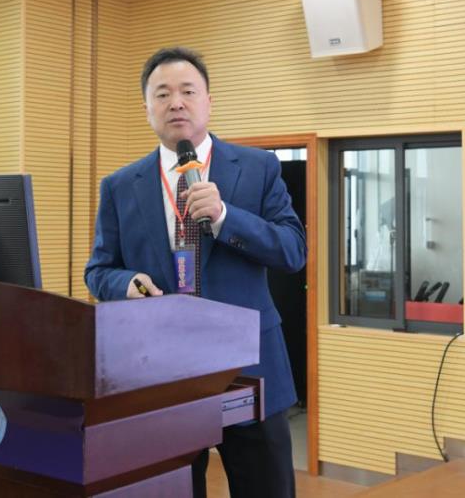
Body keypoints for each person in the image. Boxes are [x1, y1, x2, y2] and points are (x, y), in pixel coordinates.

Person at [85, 46, 307, 498]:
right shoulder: (120, 186)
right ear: (147, 107)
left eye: (188, 91)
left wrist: (226, 217)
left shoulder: (259, 168)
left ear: (208, 101)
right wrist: (125, 283)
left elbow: (292, 251)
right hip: (162, 373)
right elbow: (99, 270)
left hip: (251, 367)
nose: (176, 103)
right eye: (162, 94)